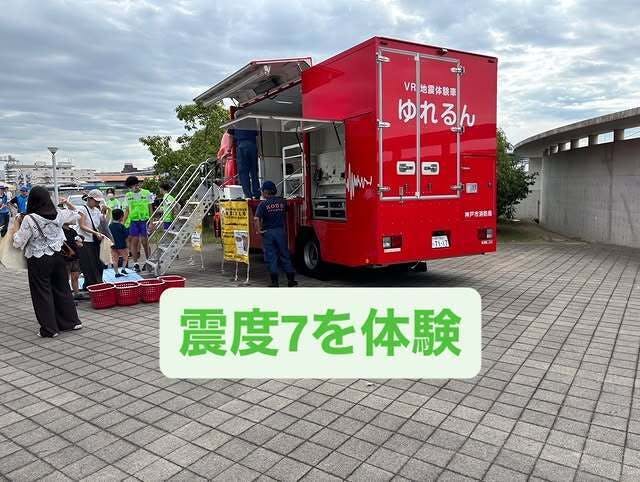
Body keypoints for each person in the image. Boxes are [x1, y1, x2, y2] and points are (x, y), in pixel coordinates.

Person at [12, 186, 83, 337]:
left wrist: (16, 224)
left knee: (42, 293)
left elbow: (18, 242)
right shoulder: (58, 213)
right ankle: (71, 322)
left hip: (38, 259)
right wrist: (68, 204)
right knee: (63, 289)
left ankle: (50, 329)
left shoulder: (29, 219)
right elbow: (77, 214)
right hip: (58, 256)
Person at [254, 180, 297, 288]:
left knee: (271, 257)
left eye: (262, 191)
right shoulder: (282, 202)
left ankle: (274, 282)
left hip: (268, 233)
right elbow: (288, 209)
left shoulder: (263, 204)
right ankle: (291, 280)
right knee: (285, 255)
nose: (261, 193)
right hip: (280, 231)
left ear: (266, 192)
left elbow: (256, 218)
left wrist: (259, 230)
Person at [77, 189, 111, 289]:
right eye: (96, 201)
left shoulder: (96, 211)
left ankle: (94, 284)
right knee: (88, 265)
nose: (97, 203)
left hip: (95, 241)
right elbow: (82, 225)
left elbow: (104, 223)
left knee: (98, 264)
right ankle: (91, 285)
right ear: (90, 199)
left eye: (98, 201)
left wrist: (108, 211)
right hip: (85, 241)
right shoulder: (82, 209)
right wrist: (95, 233)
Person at [123, 176, 153, 272]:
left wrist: (151, 222)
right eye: (130, 187)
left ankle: (148, 261)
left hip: (144, 221)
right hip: (134, 221)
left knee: (145, 242)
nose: (131, 189)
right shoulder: (128, 195)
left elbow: (150, 208)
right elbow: (127, 210)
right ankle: (136, 264)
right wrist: (123, 223)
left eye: (132, 186)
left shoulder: (147, 193)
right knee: (134, 242)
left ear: (137, 184)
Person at [229, 127, 260, 199]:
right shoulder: (251, 122)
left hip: (242, 146)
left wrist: (228, 150)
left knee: (243, 172)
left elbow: (230, 136)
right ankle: (257, 193)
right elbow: (257, 136)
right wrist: (258, 150)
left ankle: (248, 195)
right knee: (254, 171)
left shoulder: (234, 123)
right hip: (253, 145)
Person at [62, 222, 84, 300]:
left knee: (75, 276)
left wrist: (79, 243)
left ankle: (76, 293)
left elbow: (77, 241)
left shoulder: (72, 231)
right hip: (65, 258)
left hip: (75, 257)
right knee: (65, 278)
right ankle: (68, 297)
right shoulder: (60, 231)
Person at [109, 208, 129, 277]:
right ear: (121, 217)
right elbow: (126, 236)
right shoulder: (122, 226)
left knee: (115, 260)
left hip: (113, 246)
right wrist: (127, 245)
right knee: (125, 257)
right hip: (122, 245)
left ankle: (116, 273)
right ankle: (123, 269)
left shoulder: (110, 226)